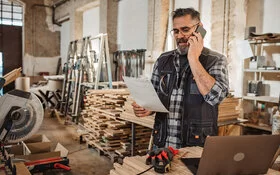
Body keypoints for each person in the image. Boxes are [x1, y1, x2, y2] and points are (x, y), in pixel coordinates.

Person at [132, 8, 229, 149]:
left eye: (185, 29)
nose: (179, 35)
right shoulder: (163, 60)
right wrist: (147, 108)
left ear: (199, 29)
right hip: (162, 144)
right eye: (176, 31)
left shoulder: (216, 60)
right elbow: (155, 98)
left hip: (195, 146)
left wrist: (193, 59)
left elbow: (215, 97)